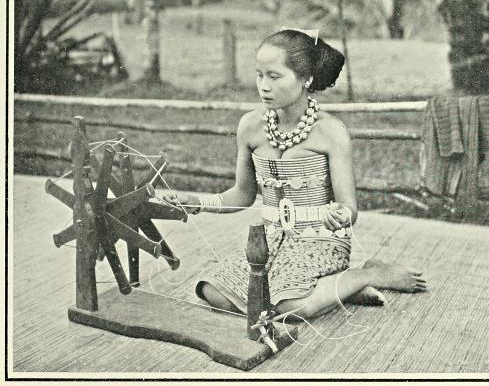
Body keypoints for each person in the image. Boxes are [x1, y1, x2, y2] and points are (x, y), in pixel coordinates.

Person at [164, 29, 426, 319]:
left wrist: (339, 214)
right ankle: (336, 289)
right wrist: (199, 202)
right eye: (259, 75)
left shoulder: (331, 132)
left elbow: (349, 209)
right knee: (212, 291)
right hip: (269, 241)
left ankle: (365, 275)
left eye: (274, 77)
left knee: (289, 307)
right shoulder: (250, 126)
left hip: (321, 240)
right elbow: (243, 194)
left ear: (306, 79)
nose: (263, 86)